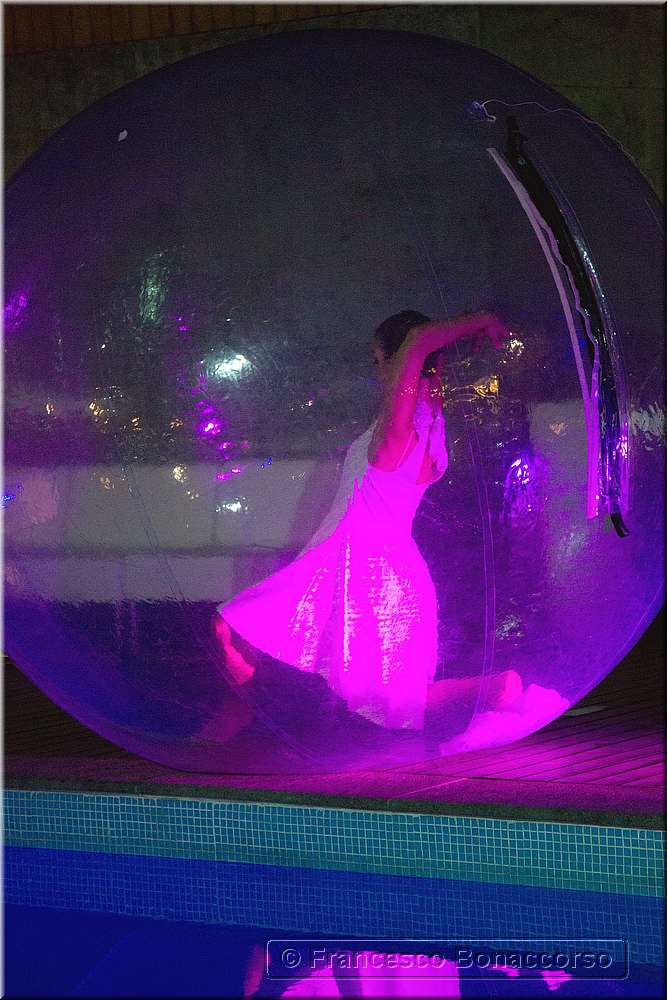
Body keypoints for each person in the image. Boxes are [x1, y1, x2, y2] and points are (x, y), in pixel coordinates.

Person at [214, 310, 510, 733]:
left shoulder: (398, 430)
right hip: (382, 571)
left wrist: (480, 319)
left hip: (368, 576)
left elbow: (418, 341)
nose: (377, 371)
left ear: (397, 359)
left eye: (378, 359)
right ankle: (496, 689)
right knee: (392, 702)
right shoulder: (428, 424)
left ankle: (234, 729)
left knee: (237, 630)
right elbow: (423, 353)